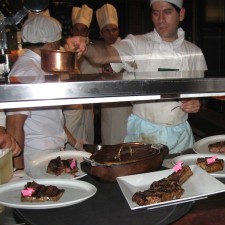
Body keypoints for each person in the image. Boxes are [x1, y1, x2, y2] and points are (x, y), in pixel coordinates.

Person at [65, 0, 207, 153]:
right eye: (155, 13)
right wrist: (85, 48)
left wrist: (196, 103)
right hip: (143, 134)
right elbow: (105, 55)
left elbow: (200, 93)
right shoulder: (137, 44)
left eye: (167, 12)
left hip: (180, 136)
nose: (160, 19)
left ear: (181, 14)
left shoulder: (194, 52)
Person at [6, 15, 80, 169]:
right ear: (50, 43)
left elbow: (50, 115)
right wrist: (18, 171)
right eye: (58, 42)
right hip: (37, 155)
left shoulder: (39, 66)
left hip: (50, 151)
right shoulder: (27, 71)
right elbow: (14, 125)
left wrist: (75, 142)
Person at [94, 3, 132, 145]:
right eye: (107, 30)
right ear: (101, 33)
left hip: (125, 106)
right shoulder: (99, 51)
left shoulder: (127, 48)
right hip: (107, 107)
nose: (111, 34)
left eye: (114, 30)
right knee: (109, 143)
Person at [64, 4, 94, 150]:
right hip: (69, 112)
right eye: (78, 29)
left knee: (86, 141)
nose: (80, 33)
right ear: (71, 30)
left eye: (84, 30)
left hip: (86, 108)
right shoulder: (63, 53)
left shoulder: (91, 50)